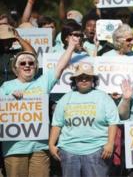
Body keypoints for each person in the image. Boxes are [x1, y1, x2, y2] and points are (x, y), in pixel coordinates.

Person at [0, 36, 80, 177]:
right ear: (15, 68)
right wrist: (9, 99)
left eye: (31, 63)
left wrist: (71, 47)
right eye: (23, 63)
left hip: (40, 147)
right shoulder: (6, 86)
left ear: (36, 67)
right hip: (14, 148)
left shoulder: (43, 81)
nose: (27, 65)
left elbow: (60, 66)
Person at [49, 62, 120, 177]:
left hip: (97, 151)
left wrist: (110, 144)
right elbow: (57, 124)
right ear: (75, 80)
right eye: (80, 78)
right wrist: (51, 144)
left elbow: (113, 122)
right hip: (68, 151)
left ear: (93, 80)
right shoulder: (65, 98)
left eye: (87, 77)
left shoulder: (104, 97)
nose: (83, 80)